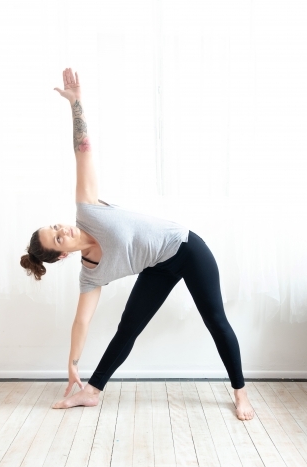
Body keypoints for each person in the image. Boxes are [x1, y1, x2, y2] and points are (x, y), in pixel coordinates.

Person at [20, 68, 254, 420]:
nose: (61, 229)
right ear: (62, 253)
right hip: (158, 266)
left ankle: (241, 393)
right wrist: (72, 363)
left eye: (55, 226)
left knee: (215, 320)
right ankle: (91, 392)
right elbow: (81, 322)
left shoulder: (87, 208)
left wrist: (77, 103)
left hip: (187, 248)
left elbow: (82, 151)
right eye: (56, 238)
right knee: (127, 329)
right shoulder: (90, 275)